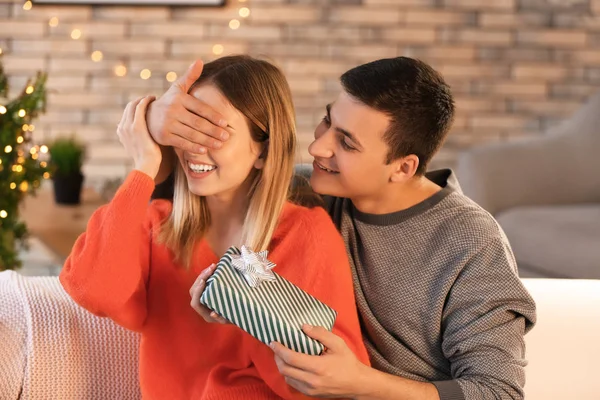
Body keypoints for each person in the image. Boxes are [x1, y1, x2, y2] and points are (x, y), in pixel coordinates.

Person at [146, 56, 537, 400]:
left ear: (403, 167)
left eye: (346, 144)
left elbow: (496, 392)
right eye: (327, 122)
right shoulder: (308, 190)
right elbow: (182, 188)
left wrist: (361, 383)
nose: (318, 149)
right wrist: (153, 123)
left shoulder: (471, 243)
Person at [59, 55, 369, 400]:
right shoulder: (157, 226)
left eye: (214, 132)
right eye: (186, 129)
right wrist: (146, 164)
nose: (193, 147)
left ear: (263, 150)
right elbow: (94, 291)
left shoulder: (305, 233)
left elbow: (331, 386)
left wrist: (246, 311)